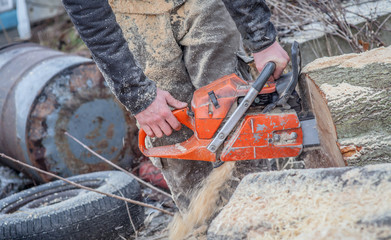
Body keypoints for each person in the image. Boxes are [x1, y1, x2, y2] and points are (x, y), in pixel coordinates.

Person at [62, 0, 289, 212]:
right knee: (172, 136)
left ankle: (263, 216)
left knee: (235, 118)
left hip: (203, 7)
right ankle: (203, 228)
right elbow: (85, 7)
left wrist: (261, 39)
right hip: (130, 16)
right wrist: (137, 94)